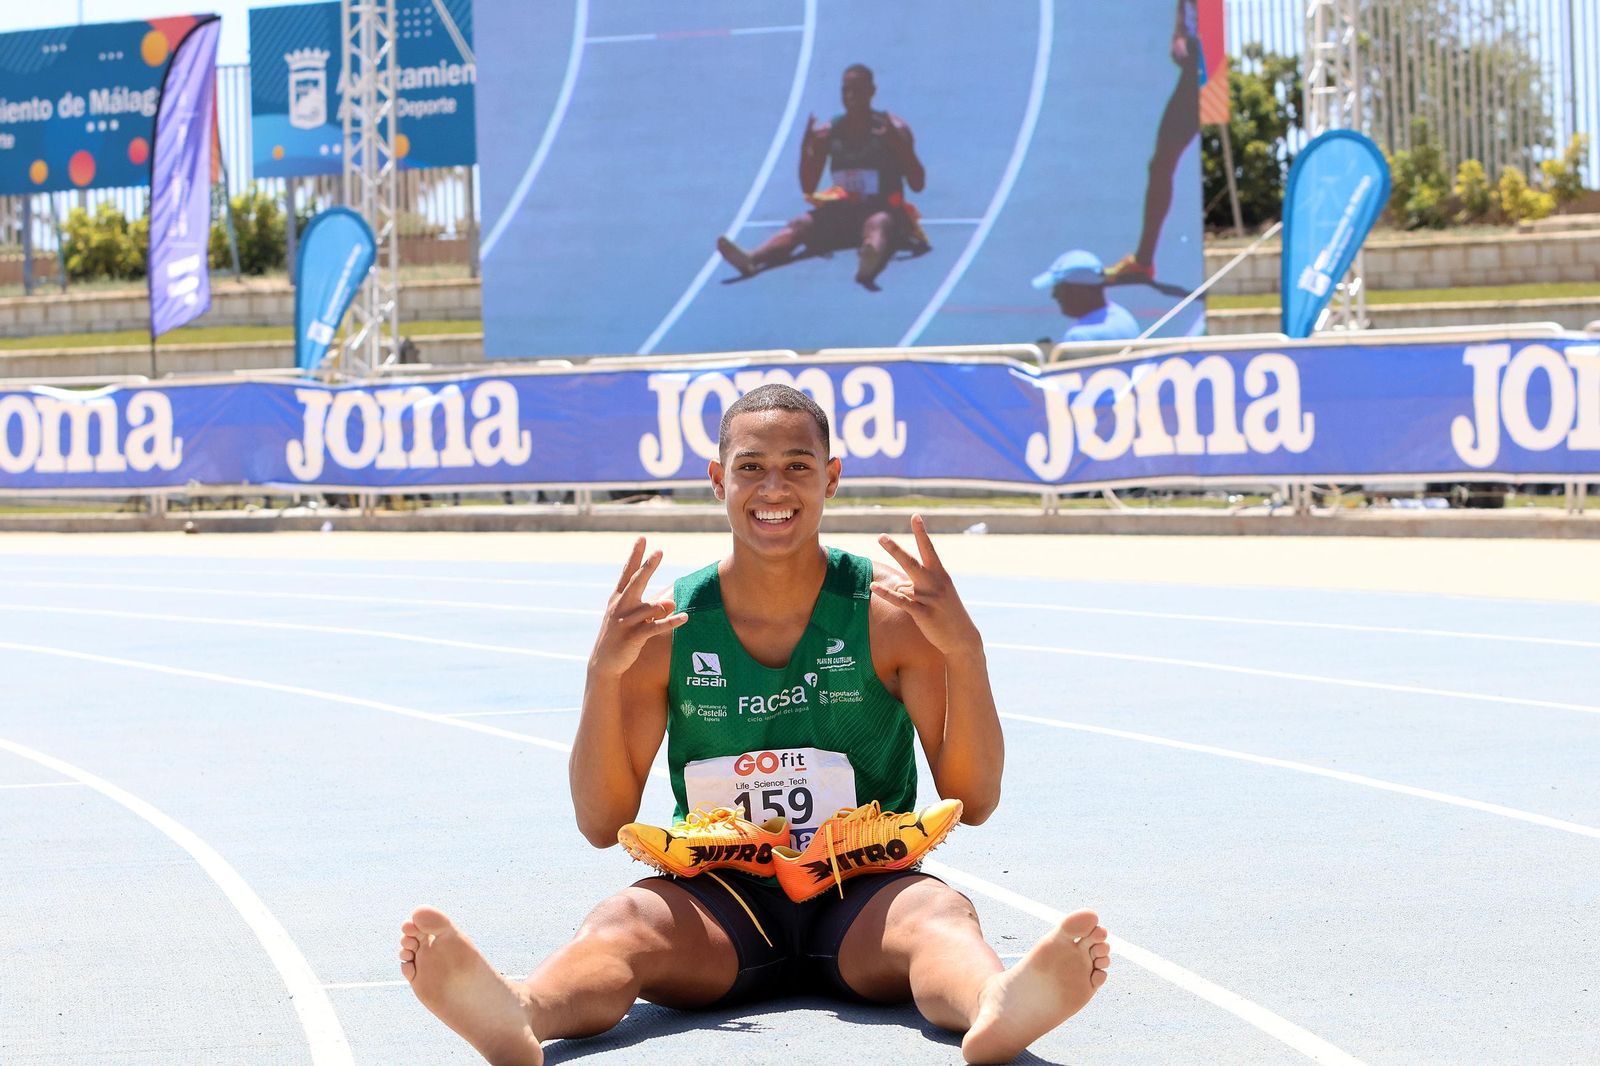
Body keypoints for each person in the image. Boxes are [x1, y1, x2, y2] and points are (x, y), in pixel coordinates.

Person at [398, 384, 1110, 1065]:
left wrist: (966, 651)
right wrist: (602, 674)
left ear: (831, 477)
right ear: (718, 478)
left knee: (938, 919)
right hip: (720, 898)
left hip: (862, 891)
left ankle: (994, 1003)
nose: (775, 488)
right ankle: (523, 1011)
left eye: (798, 466)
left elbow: (974, 801)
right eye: (752, 468)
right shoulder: (668, 627)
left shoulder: (890, 616)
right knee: (623, 924)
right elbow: (601, 821)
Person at [716, 64, 928, 290]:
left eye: (857, 90)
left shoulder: (893, 128)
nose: (850, 96)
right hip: (843, 214)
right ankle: (752, 258)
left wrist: (899, 146)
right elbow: (808, 185)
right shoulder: (830, 133)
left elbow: (918, 184)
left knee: (879, 224)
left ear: (871, 91)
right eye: (846, 90)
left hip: (883, 209)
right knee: (800, 223)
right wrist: (807, 151)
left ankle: (869, 263)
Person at [1104, 0, 1202, 286]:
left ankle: (1144, 261)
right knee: (1161, 164)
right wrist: (1180, 35)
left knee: (1163, 164)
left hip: (1207, 70)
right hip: (1194, 70)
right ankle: (1143, 262)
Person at [1032, 250, 1140, 343]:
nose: (1054, 296)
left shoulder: (1078, 336)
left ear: (1077, 290)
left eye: (1058, 288)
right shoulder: (1125, 317)